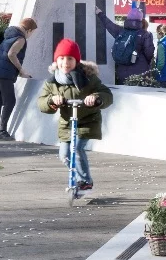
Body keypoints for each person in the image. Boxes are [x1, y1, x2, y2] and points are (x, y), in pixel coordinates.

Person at [36, 38, 112, 200]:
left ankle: (85, 182)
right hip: (67, 124)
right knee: (64, 155)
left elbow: (107, 95)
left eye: (70, 59)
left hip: (87, 121)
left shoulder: (88, 78)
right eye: (62, 58)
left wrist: (96, 97)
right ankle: (79, 180)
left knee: (76, 149)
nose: (66, 62)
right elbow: (42, 102)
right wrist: (51, 100)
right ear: (56, 60)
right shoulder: (52, 82)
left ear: (76, 61)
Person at [0, 16, 37, 140]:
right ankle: (2, 131)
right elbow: (11, 54)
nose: (31, 35)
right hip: (5, 74)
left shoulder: (9, 36)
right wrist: (21, 70)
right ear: (29, 30)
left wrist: (18, 71)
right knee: (10, 101)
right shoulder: (21, 39)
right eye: (32, 32)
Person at [95, 0, 154, 84]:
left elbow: (109, 24)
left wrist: (99, 13)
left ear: (128, 18)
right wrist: (147, 63)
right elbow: (149, 53)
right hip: (141, 71)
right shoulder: (145, 34)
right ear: (140, 20)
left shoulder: (120, 31)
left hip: (122, 70)